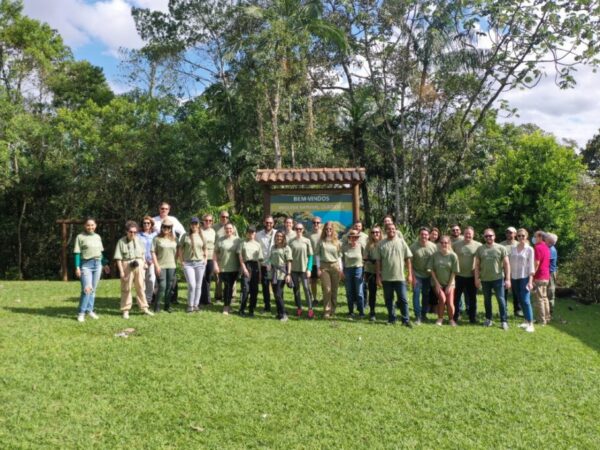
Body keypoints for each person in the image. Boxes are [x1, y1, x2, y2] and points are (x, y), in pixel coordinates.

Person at [375, 223, 413, 326]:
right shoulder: (381, 244)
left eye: (393, 229)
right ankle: (392, 319)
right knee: (388, 299)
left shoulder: (401, 242)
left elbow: (408, 259)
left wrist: (410, 274)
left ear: (396, 230)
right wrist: (378, 276)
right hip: (386, 277)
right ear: (385, 230)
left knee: (403, 299)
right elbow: (378, 261)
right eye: (389, 229)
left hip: (400, 277)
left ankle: (405, 320)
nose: (391, 230)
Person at [114, 220, 154, 319]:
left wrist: (144, 263)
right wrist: (121, 272)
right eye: (130, 232)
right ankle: (126, 310)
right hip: (126, 264)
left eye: (135, 232)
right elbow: (118, 258)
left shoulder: (139, 240)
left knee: (141, 287)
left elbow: (143, 253)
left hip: (139, 264)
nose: (133, 234)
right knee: (126, 288)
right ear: (126, 231)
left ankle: (144, 308)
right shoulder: (121, 241)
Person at [73, 218, 110, 322]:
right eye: (88, 225)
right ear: (84, 226)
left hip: (98, 264)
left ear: (95, 225)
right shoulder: (80, 237)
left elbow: (100, 253)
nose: (90, 227)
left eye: (92, 225)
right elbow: (77, 253)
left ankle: (90, 310)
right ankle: (81, 313)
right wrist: (77, 267)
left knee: (93, 290)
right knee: (87, 289)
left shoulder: (98, 237)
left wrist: (105, 264)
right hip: (86, 265)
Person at [474, 228, 511, 330]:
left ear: (494, 236)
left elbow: (507, 264)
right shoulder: (480, 249)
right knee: (487, 300)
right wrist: (477, 279)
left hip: (498, 279)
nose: (488, 237)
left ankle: (504, 321)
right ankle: (488, 319)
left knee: (501, 300)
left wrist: (508, 279)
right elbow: (477, 266)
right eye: (486, 236)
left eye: (490, 235)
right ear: (484, 237)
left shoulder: (501, 248)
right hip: (485, 279)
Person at [152, 202, 184, 305]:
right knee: (158, 280)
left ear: (169, 210)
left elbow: (182, 231)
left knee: (172, 279)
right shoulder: (154, 220)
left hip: (171, 249)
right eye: (162, 208)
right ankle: (155, 299)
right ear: (159, 209)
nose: (164, 210)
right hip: (158, 248)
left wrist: (179, 243)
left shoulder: (173, 220)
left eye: (166, 209)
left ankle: (172, 300)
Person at [452, 226, 481, 324]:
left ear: (473, 235)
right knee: (456, 298)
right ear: (463, 234)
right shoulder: (455, 245)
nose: (468, 235)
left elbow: (481, 260)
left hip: (471, 276)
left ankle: (472, 318)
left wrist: (478, 274)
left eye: (470, 234)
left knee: (472, 298)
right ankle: (455, 316)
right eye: (466, 233)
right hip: (458, 276)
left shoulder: (478, 245)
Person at [178, 217, 207, 313]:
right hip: (188, 263)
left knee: (198, 285)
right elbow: (180, 249)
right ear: (190, 225)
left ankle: (196, 305)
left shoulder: (202, 236)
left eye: (196, 223)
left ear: (199, 224)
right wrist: (181, 261)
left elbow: (205, 248)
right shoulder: (185, 236)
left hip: (199, 263)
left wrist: (205, 259)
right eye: (192, 224)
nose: (194, 225)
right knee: (192, 285)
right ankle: (190, 305)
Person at [509, 228, 535, 332]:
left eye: (522, 236)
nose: (521, 237)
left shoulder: (529, 249)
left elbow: (531, 266)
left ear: (526, 236)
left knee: (525, 300)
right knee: (520, 299)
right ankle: (525, 321)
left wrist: (530, 281)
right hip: (514, 277)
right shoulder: (513, 248)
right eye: (519, 236)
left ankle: (531, 323)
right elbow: (510, 264)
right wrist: (509, 278)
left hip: (525, 277)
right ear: (516, 236)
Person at [430, 235, 460, 326]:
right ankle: (440, 319)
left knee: (450, 302)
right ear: (439, 244)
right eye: (442, 242)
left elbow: (454, 272)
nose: (444, 244)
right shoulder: (435, 255)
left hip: (450, 283)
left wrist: (449, 285)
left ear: (449, 244)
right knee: (442, 299)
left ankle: (451, 320)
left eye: (446, 243)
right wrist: (437, 283)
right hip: (437, 283)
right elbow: (431, 270)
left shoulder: (453, 256)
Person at [409, 227, 437, 324]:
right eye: (422, 234)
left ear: (429, 235)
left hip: (428, 276)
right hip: (417, 274)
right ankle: (417, 316)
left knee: (426, 295)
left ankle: (424, 314)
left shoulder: (433, 247)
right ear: (419, 235)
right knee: (416, 294)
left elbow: (436, 261)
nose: (424, 236)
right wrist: (411, 275)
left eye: (426, 234)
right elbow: (409, 263)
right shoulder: (413, 247)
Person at [151, 218, 178, 313]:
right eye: (164, 226)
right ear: (162, 227)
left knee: (170, 287)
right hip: (161, 265)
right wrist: (156, 265)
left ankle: (167, 306)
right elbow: (153, 252)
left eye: (168, 227)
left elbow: (178, 251)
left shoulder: (175, 239)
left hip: (172, 266)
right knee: (162, 286)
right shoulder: (156, 238)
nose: (166, 228)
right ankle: (157, 306)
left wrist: (177, 262)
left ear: (171, 228)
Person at [316, 222, 342, 318]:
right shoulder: (321, 241)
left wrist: (341, 269)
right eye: (326, 229)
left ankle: (333, 309)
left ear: (333, 230)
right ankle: (327, 311)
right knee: (327, 289)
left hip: (335, 266)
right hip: (324, 267)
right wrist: (318, 268)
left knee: (334, 289)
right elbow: (317, 256)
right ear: (324, 230)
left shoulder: (337, 242)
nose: (328, 231)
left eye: (330, 229)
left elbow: (339, 257)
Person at [213, 223, 240, 315]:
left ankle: (228, 305)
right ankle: (226, 307)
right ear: (224, 229)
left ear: (233, 230)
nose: (228, 230)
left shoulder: (238, 240)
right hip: (223, 268)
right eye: (227, 228)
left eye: (230, 228)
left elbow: (240, 254)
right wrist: (215, 265)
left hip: (234, 268)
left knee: (230, 287)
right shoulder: (220, 240)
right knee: (227, 287)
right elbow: (215, 253)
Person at [289, 222, 314, 318]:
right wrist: (289, 271)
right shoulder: (291, 242)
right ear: (294, 230)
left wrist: (309, 268)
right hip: (294, 270)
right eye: (297, 229)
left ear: (303, 230)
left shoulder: (307, 241)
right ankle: (299, 307)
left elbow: (310, 256)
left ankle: (310, 308)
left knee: (306, 289)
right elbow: (288, 257)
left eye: (300, 229)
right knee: (296, 290)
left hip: (304, 269)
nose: (298, 231)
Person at [238, 226, 264, 316]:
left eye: (253, 232)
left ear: (255, 233)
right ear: (247, 233)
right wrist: (244, 268)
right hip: (246, 265)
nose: (251, 234)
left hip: (255, 267)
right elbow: (240, 257)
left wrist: (260, 273)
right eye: (249, 232)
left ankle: (251, 309)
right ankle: (242, 309)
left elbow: (259, 260)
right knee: (245, 289)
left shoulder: (258, 244)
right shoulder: (243, 243)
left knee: (254, 290)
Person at [214, 210, 238, 301]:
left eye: (227, 217)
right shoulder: (215, 227)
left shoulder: (233, 227)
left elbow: (237, 240)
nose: (225, 218)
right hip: (220, 255)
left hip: (231, 256)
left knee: (232, 278)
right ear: (220, 217)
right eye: (223, 216)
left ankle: (232, 296)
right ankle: (218, 296)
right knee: (218, 278)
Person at [268, 231, 292, 321]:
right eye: (277, 236)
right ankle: (279, 313)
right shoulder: (273, 247)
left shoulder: (286, 248)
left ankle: (284, 314)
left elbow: (289, 261)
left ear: (283, 238)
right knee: (277, 294)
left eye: (281, 236)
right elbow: (270, 259)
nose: (279, 238)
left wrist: (288, 274)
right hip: (273, 273)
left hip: (282, 274)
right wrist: (269, 264)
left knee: (278, 294)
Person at [342, 230, 366, 319]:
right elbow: (341, 260)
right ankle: (351, 311)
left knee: (359, 292)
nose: (354, 238)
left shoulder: (361, 246)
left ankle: (361, 312)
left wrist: (364, 271)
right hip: (348, 270)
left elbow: (365, 258)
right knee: (349, 292)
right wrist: (342, 271)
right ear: (349, 238)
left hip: (358, 269)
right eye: (352, 237)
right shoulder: (344, 247)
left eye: (356, 237)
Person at [500, 226, 522, 317]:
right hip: (503, 272)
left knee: (516, 292)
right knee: (503, 292)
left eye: (511, 232)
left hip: (516, 272)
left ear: (515, 234)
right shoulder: (501, 245)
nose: (509, 234)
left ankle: (518, 310)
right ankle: (504, 310)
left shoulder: (519, 244)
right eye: (507, 232)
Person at [257, 216, 276, 313]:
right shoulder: (258, 235)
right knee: (265, 286)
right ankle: (267, 306)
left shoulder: (277, 233)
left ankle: (279, 306)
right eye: (267, 222)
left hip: (275, 265)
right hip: (264, 264)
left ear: (273, 223)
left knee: (276, 286)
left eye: (270, 223)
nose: (269, 224)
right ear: (264, 222)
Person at [533, 230, 551, 325]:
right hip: (546, 276)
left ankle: (541, 320)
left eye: (535, 236)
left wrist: (532, 274)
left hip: (539, 276)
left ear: (540, 237)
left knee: (539, 299)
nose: (534, 238)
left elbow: (537, 262)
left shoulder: (537, 247)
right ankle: (547, 318)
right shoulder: (546, 247)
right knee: (544, 298)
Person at [138, 216, 157, 306]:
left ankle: (148, 299)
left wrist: (153, 260)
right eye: (144, 223)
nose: (146, 224)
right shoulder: (138, 235)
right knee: (141, 281)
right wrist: (143, 260)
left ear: (151, 224)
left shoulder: (155, 235)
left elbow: (157, 248)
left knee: (151, 280)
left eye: (148, 223)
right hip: (141, 261)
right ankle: (141, 299)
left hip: (152, 261)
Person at [364, 226, 382, 321]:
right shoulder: (368, 245)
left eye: (377, 232)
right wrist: (373, 261)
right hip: (371, 271)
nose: (375, 234)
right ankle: (372, 311)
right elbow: (365, 257)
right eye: (373, 232)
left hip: (385, 272)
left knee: (389, 293)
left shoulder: (384, 243)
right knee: (372, 293)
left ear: (380, 233)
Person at [200, 214, 216, 306]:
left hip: (211, 257)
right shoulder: (200, 231)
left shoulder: (213, 232)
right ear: (203, 221)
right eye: (206, 220)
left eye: (210, 221)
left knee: (208, 279)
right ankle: (202, 299)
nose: (208, 222)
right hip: (201, 258)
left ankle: (207, 299)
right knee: (202, 278)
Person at [309, 217, 322, 305]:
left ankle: (326, 298)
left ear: (320, 223)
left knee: (325, 281)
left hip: (323, 262)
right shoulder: (308, 235)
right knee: (313, 281)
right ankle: (315, 298)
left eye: (318, 222)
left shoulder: (324, 234)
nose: (316, 224)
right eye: (314, 222)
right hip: (313, 262)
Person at [545, 232, 559, 317]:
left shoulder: (551, 250)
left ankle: (549, 313)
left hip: (550, 273)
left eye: (546, 239)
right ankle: (545, 312)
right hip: (547, 272)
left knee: (550, 293)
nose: (544, 240)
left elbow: (545, 262)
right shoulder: (547, 247)